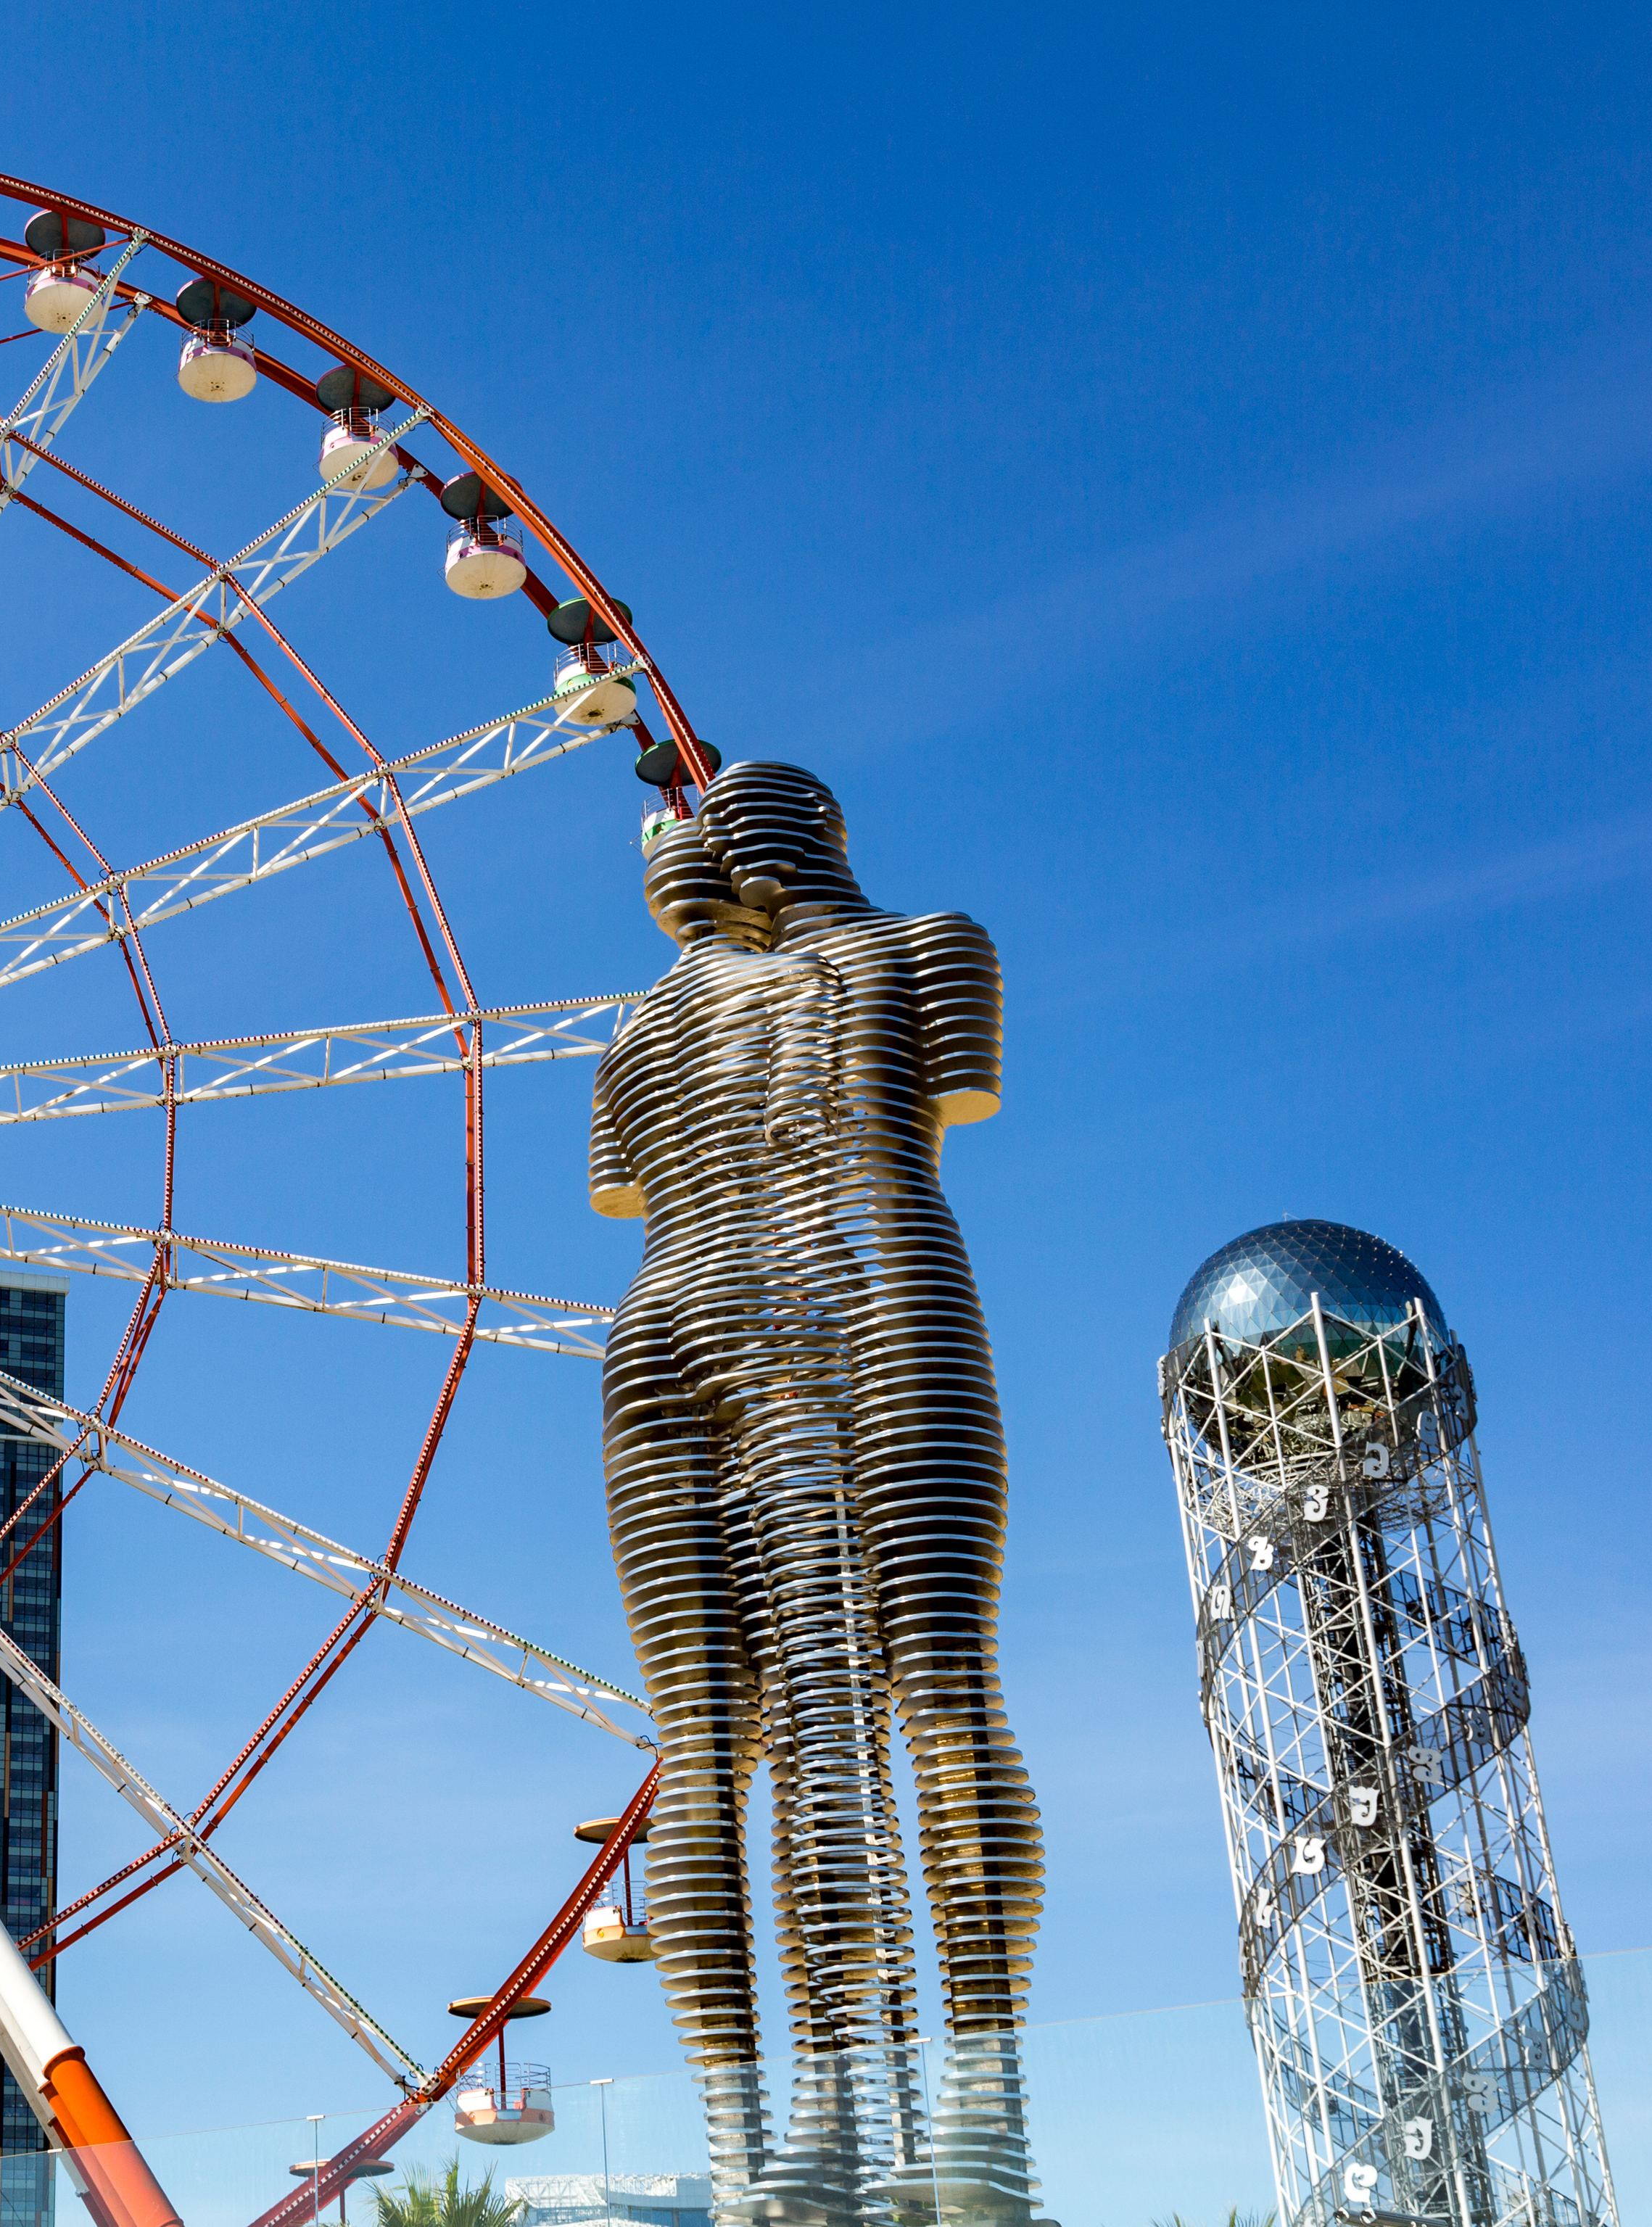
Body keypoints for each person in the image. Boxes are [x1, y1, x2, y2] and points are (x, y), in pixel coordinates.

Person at [593, 764, 1041, 2226]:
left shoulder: (924, 944)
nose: (711, 846)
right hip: (700, 1320)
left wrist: (757, 942)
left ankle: (969, 2103)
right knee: (727, 1737)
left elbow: (936, 1089)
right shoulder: (644, 1021)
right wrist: (713, 955)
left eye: (741, 824)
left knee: (920, 1683)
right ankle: (769, 2146)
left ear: (811, 835)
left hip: (833, 1282)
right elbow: (627, 1182)